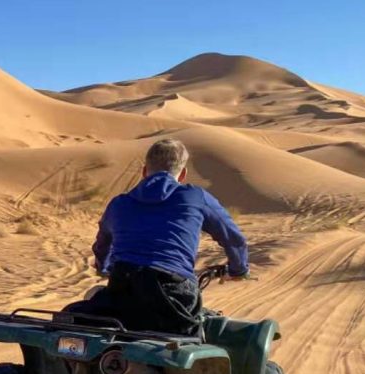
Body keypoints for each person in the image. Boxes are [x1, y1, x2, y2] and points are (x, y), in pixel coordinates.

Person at [64, 138, 249, 336]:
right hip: (175, 293)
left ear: (144, 171)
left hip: (123, 290)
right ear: (183, 174)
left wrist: (105, 267)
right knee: (201, 333)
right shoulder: (196, 197)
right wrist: (238, 269)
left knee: (71, 318)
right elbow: (234, 239)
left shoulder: (119, 203)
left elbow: (102, 245)